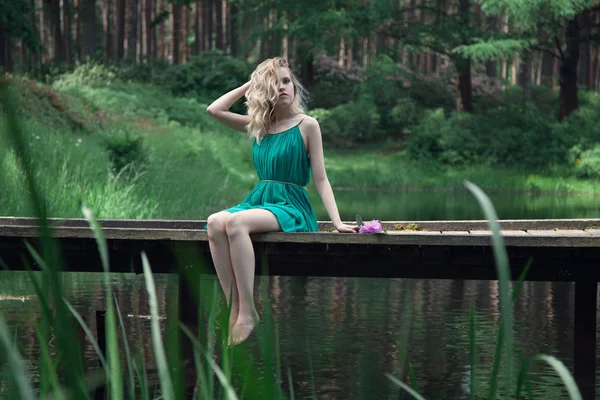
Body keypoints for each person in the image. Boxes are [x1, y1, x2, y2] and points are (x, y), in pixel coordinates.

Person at [205, 57, 358, 346]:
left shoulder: (308, 125)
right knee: (215, 223)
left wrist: (337, 221)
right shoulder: (259, 125)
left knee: (236, 223)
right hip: (260, 200)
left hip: (291, 205)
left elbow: (321, 179)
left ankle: (249, 312)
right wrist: (253, 83)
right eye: (275, 83)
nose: (282, 86)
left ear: (295, 86)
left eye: (286, 81)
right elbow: (214, 109)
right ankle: (233, 307)